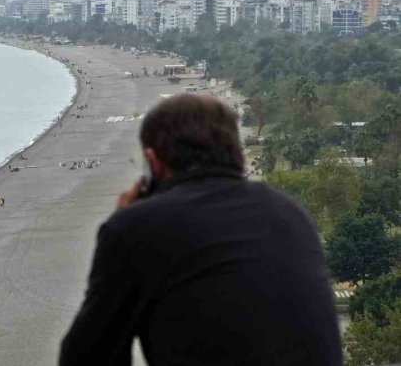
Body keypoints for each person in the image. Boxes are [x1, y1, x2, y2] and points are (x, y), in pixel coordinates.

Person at [60, 94, 342, 366]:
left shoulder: (137, 228)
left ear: (153, 163)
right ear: (238, 154)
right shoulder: (291, 214)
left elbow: (87, 356)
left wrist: (124, 224)